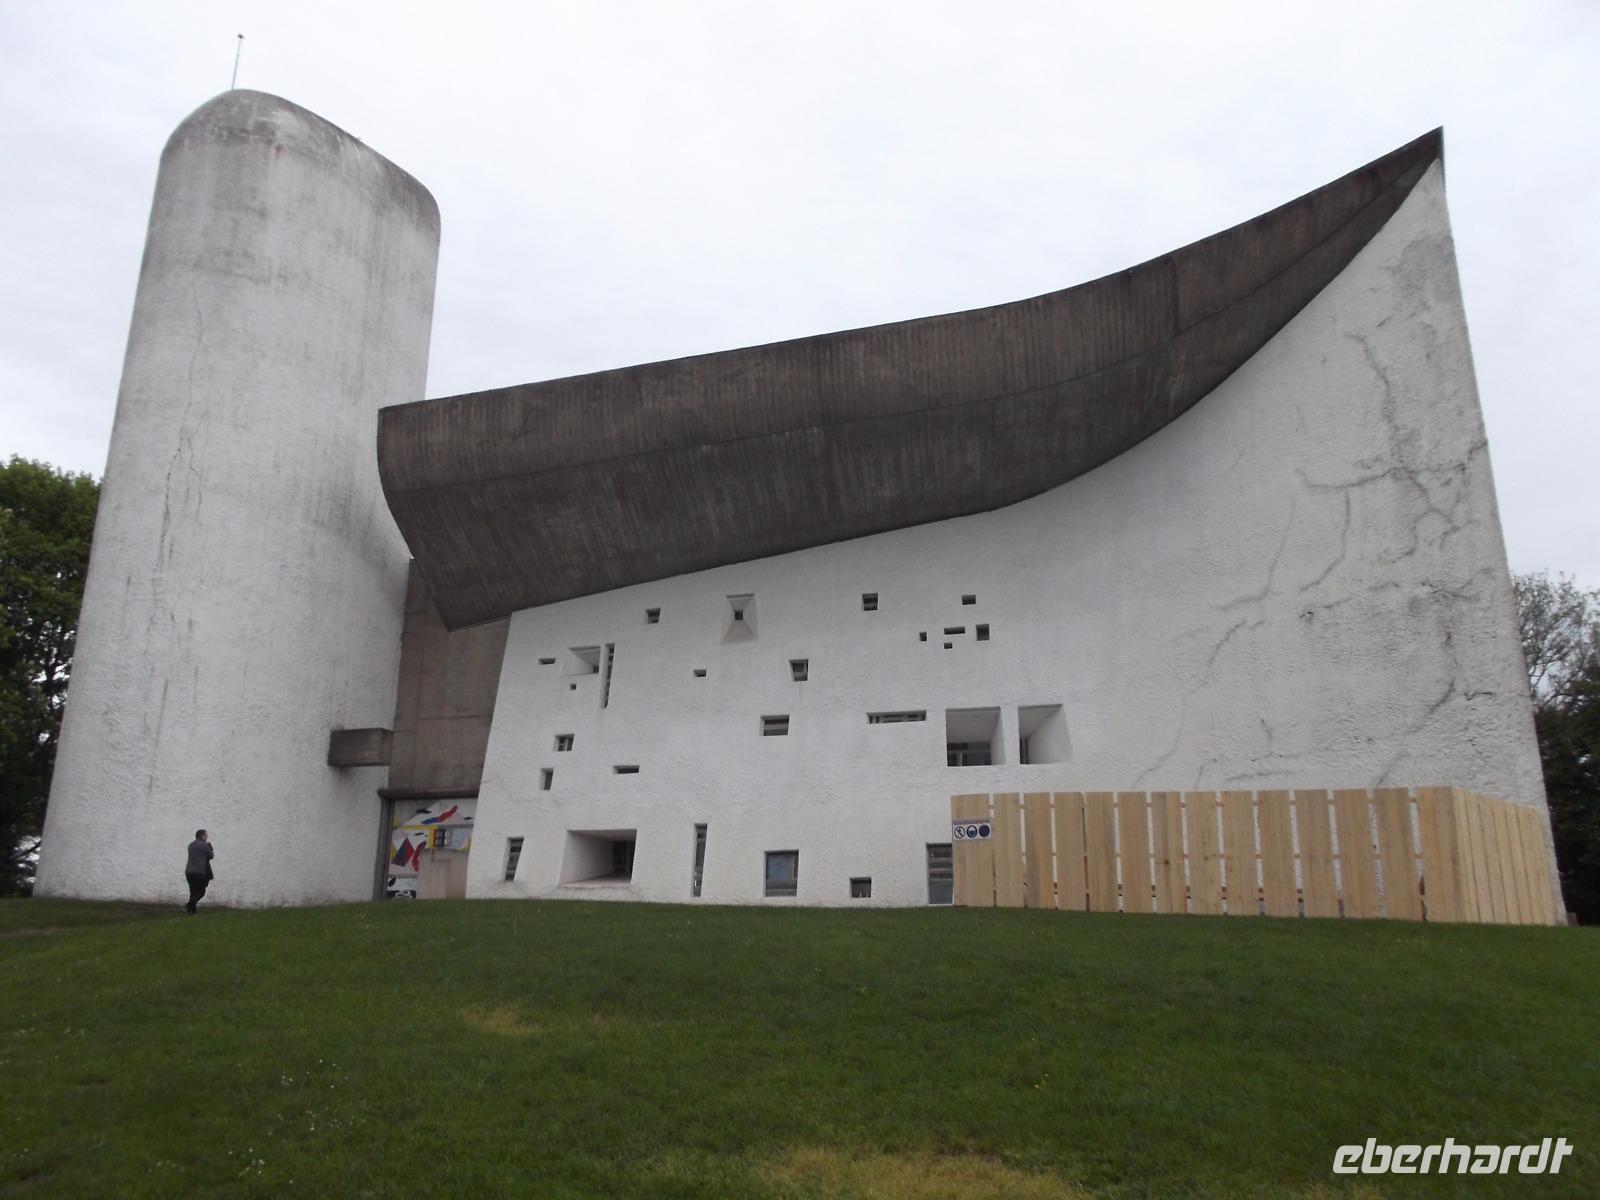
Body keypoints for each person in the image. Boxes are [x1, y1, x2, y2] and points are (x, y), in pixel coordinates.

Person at [184, 829, 214, 914]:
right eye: (206, 835)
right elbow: (211, 856)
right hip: (200, 872)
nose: (207, 837)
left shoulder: (191, 845)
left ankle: (192, 912)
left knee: (193, 892)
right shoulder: (205, 845)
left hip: (189, 871)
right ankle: (188, 906)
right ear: (202, 836)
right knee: (201, 892)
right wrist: (210, 848)